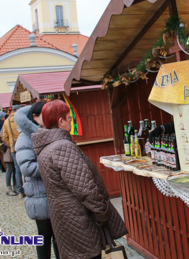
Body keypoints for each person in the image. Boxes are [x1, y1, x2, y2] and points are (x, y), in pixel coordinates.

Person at [32, 100, 127, 259]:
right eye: (69, 118)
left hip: (64, 217)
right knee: (89, 255)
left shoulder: (47, 146)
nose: (71, 120)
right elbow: (85, 188)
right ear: (60, 121)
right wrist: (102, 213)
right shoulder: (62, 147)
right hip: (79, 218)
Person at [16, 101, 60, 259]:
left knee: (60, 236)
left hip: (55, 194)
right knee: (44, 236)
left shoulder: (50, 132)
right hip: (40, 196)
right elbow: (26, 168)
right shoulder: (25, 139)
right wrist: (54, 166)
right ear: (34, 117)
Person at [2, 105, 24, 197]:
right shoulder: (21, 118)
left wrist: (11, 144)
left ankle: (20, 190)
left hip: (13, 148)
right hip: (23, 145)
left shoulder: (6, 122)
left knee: (17, 169)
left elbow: (4, 137)